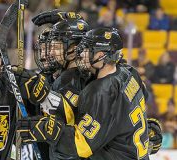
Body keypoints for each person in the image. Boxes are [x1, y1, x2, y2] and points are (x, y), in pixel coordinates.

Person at [18, 28, 151, 159]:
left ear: (100, 56)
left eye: (87, 49)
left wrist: (48, 129)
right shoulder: (129, 73)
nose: (81, 54)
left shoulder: (101, 91)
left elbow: (82, 145)